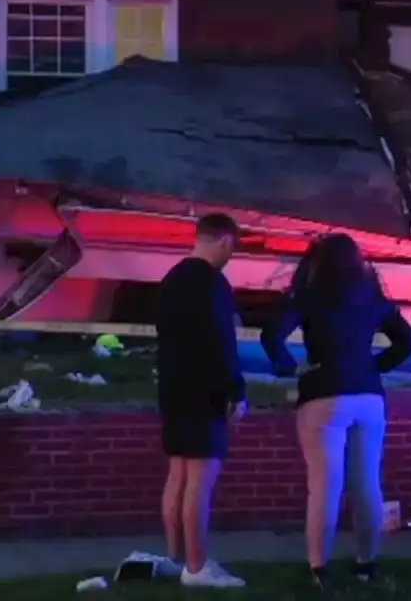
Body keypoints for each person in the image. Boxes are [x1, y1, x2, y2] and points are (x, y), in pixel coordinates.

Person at [260, 233, 411, 587]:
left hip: (324, 393)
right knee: (367, 485)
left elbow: (272, 335)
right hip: (368, 395)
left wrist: (289, 367)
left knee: (325, 487)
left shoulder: (309, 296)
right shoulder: (372, 297)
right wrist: (374, 367)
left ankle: (319, 568)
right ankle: (367, 565)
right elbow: (408, 342)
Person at [154, 212, 248, 588]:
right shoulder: (213, 284)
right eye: (232, 249)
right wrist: (235, 389)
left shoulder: (170, 280)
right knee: (200, 480)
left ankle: (176, 558)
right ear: (224, 240)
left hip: (173, 389)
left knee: (177, 475)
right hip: (204, 391)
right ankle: (197, 568)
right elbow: (221, 341)